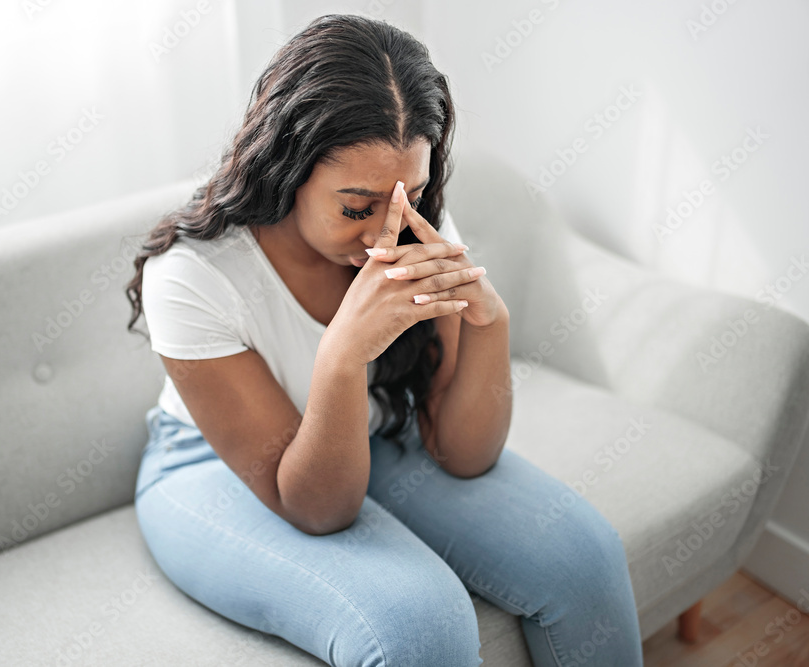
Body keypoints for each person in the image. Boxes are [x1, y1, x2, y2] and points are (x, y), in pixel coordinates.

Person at [124, 13, 644, 667]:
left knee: (583, 556)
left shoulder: (410, 221)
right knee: (421, 628)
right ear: (288, 168)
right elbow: (317, 509)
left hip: (374, 425)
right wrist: (342, 355)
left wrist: (490, 323)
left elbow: (464, 454)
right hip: (214, 464)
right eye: (355, 206)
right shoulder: (194, 274)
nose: (383, 233)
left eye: (412, 195)